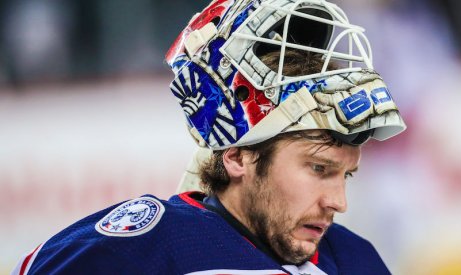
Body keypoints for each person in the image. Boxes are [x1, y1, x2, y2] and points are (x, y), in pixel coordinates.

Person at [13, 0, 406, 274]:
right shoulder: (142, 249)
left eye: (345, 174)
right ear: (237, 156)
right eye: (319, 168)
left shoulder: (356, 259)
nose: (338, 202)